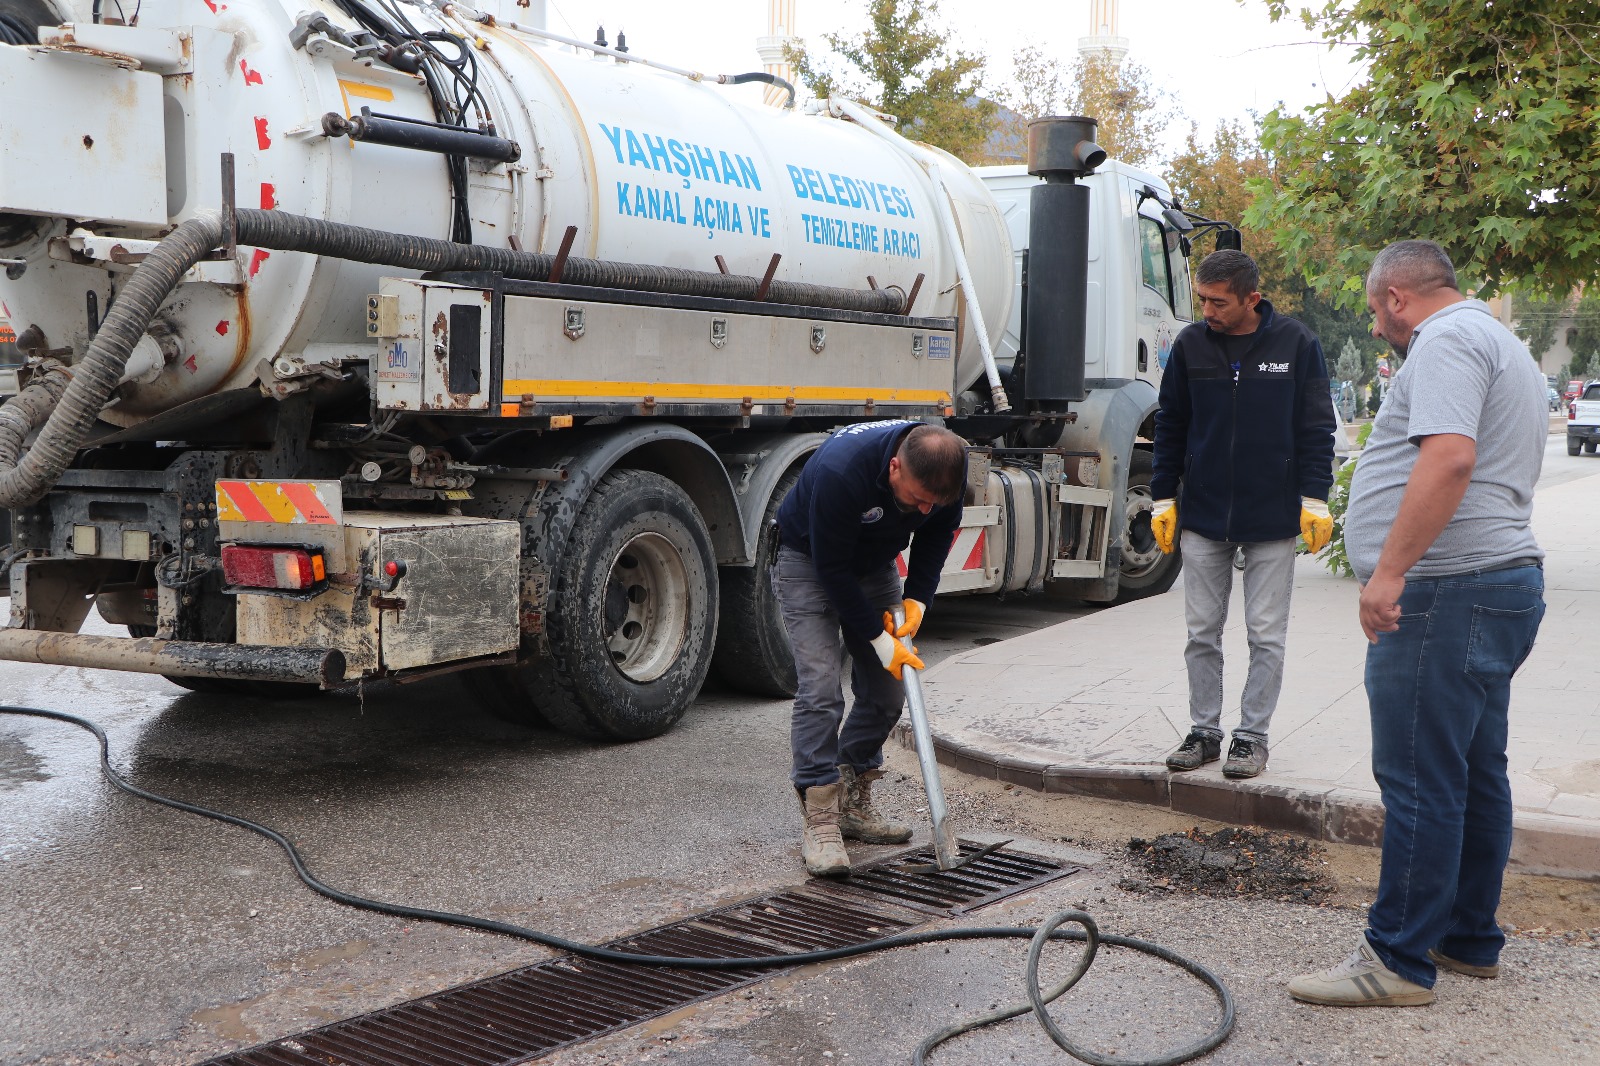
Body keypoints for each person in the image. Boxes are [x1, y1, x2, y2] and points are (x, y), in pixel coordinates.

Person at [1289, 241, 1547, 1007]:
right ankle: (1467, 937)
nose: (1376, 328)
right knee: (1471, 771)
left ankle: (1396, 961)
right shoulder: (1499, 339)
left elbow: (1449, 459)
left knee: (1418, 777)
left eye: (1375, 311)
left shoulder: (1447, 339)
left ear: (1398, 297)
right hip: (1492, 587)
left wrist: (1391, 572)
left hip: (1445, 594)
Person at [1149, 250, 1336, 779]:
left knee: (1265, 634)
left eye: (1218, 302)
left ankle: (1251, 736)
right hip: (1204, 515)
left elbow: (1316, 426)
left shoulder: (1296, 343)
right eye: (1201, 299)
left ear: (1252, 298)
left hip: (1273, 517)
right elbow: (1171, 424)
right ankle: (1204, 732)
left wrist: (1314, 497)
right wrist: (1164, 496)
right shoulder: (1189, 346)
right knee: (1201, 631)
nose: (1207, 310)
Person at [773, 420, 966, 877]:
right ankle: (821, 816)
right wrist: (879, 639)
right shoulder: (844, 472)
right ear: (894, 466)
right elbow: (832, 569)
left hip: (874, 564)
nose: (923, 509)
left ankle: (852, 795)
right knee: (821, 689)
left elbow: (939, 532)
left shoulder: (945, 474)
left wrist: (919, 595)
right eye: (917, 497)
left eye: (932, 502)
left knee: (888, 692)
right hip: (810, 560)